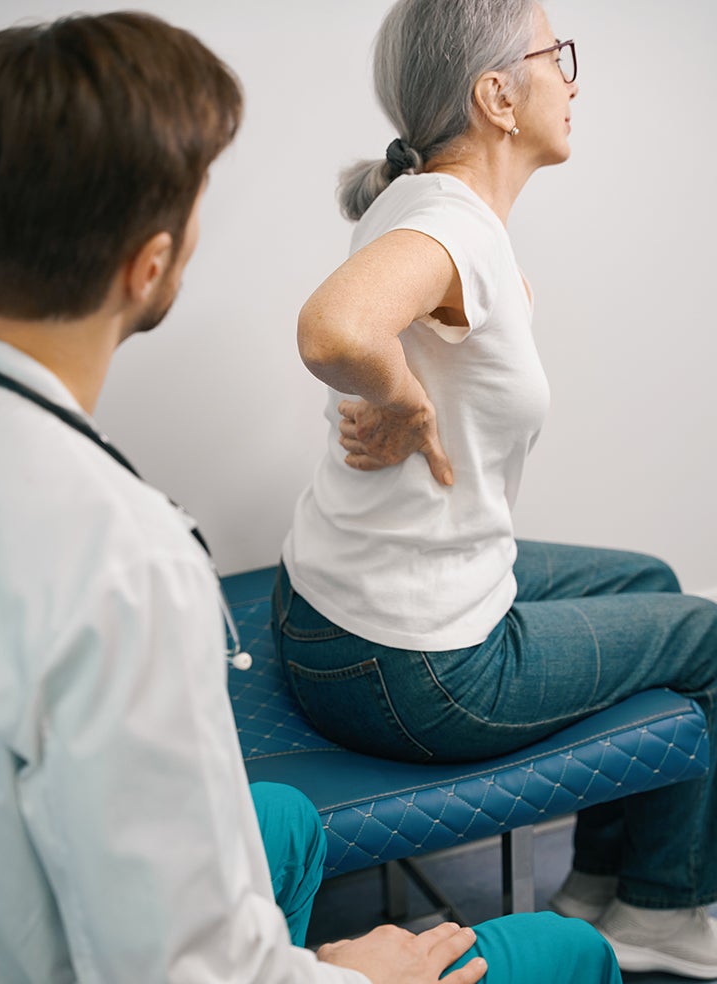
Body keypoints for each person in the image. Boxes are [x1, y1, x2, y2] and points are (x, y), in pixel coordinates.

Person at [0, 9, 622, 984]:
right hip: (134, 940)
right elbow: (165, 968)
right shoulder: (129, 563)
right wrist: (362, 973)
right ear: (149, 266)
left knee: (281, 823)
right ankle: (652, 920)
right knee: (568, 950)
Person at [273, 0, 717, 978]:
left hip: (326, 618)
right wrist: (398, 400)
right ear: (496, 96)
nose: (570, 75)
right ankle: (664, 914)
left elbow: (362, 325)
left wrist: (400, 394)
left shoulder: (422, 204)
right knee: (708, 637)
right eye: (556, 55)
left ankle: (607, 884)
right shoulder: (452, 228)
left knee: (648, 574)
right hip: (414, 670)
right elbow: (331, 329)